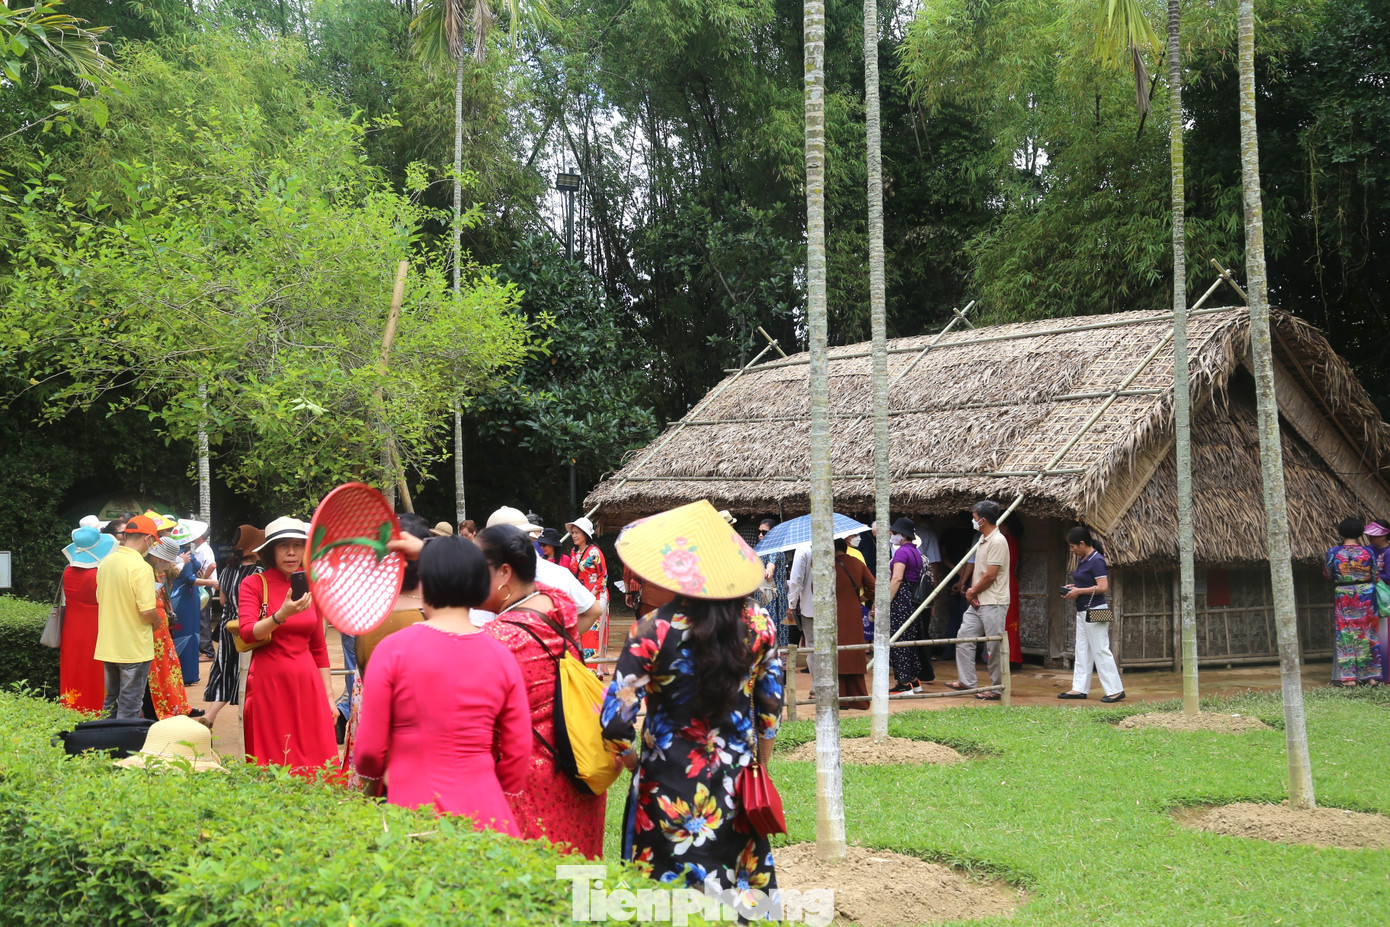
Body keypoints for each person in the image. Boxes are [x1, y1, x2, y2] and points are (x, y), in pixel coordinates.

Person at [601, 500, 784, 905]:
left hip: (664, 783)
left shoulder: (652, 629)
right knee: (736, 895)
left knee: (661, 898)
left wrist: (633, 762)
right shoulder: (760, 624)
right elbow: (770, 710)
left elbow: (615, 724)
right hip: (736, 781)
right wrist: (761, 763)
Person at [354, 535, 531, 827]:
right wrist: (500, 790)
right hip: (487, 812)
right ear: (479, 585)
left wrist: (373, 788)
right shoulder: (500, 655)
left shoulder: (393, 650)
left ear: (423, 584)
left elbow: (370, 751)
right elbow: (518, 751)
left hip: (413, 809)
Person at [476, 524, 608, 855]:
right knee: (577, 872)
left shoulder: (498, 640)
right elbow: (588, 608)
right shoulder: (557, 602)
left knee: (538, 884)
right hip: (577, 761)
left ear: (504, 572)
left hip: (530, 779)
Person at [238, 517, 337, 774]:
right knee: (273, 758)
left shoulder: (312, 587)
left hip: (308, 682)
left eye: (297, 545)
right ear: (271, 551)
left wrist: (329, 697)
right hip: (268, 682)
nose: (292, 552)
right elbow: (248, 633)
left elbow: (318, 646)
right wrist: (280, 615)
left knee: (316, 756)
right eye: (283, 545)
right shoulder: (254, 584)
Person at [471, 507, 599, 630]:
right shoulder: (559, 574)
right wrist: (561, 640)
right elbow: (593, 610)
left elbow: (478, 630)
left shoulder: (492, 582)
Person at [94, 514, 161, 719]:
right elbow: (147, 611)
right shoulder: (142, 568)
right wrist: (157, 622)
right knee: (130, 703)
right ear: (148, 539)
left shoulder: (106, 563)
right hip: (134, 647)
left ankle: (105, 746)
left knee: (111, 701)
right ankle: (125, 749)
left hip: (108, 645)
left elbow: (100, 598)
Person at [947, 501, 1010, 701]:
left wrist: (972, 591)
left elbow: (991, 575)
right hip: (978, 600)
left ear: (982, 519)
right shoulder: (983, 539)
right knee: (964, 637)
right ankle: (967, 682)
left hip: (993, 601)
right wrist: (973, 593)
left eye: (974, 517)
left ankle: (997, 688)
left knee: (994, 646)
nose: (972, 520)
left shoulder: (998, 541)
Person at [202, 525, 264, 726]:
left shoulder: (228, 569)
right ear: (255, 548)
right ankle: (248, 724)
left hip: (228, 627)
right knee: (248, 672)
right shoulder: (258, 572)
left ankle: (210, 715)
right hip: (249, 628)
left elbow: (222, 601)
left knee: (226, 669)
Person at [1056, 527, 1123, 702]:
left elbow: (1102, 587)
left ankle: (1115, 690)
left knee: (1100, 649)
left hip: (1097, 610)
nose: (1072, 550)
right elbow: (1087, 583)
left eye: (1073, 546)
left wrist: (1079, 591)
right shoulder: (1083, 559)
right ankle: (1079, 688)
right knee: (1082, 650)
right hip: (1083, 610)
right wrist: (1074, 587)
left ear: (1082, 544)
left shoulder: (1097, 560)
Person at [60, 525, 116, 713]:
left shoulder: (67, 571)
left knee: (73, 666)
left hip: (72, 624)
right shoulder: (99, 573)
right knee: (94, 668)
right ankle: (94, 708)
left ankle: (72, 706)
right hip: (95, 625)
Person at [1324, 517, 1382, 687]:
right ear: (1360, 533)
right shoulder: (1369, 553)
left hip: (1344, 595)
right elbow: (1375, 576)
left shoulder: (1333, 552)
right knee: (1368, 634)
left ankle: (1350, 678)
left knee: (1346, 634)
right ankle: (1370, 677)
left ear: (1340, 533)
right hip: (1366, 595)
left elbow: (1328, 574)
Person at [145, 538, 199, 720]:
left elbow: (173, 574)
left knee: (169, 665)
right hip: (153, 623)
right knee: (158, 668)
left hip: (162, 622)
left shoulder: (160, 569)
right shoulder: (145, 570)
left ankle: (175, 703)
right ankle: (163, 704)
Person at [886, 517, 930, 691]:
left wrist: (886, 601)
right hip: (910, 597)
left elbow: (897, 578)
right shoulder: (915, 552)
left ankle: (904, 682)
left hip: (900, 597)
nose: (892, 536)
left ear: (902, 535)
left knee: (898, 640)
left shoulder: (902, 553)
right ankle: (913, 679)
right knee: (908, 639)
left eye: (894, 533)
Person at [832, 537, 874, 709]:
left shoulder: (827, 566)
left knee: (836, 654)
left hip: (833, 614)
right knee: (854, 653)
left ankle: (839, 699)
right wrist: (859, 599)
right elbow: (873, 587)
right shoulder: (857, 563)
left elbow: (815, 590)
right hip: (854, 613)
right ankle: (859, 699)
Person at [567, 516, 610, 666]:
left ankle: (593, 668)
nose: (574, 535)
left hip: (596, 594)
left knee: (593, 631)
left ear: (585, 534)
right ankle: (581, 664)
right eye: (572, 533)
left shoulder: (594, 552)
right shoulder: (573, 552)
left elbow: (603, 576)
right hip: (580, 595)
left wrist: (591, 594)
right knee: (580, 629)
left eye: (577, 532)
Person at [755, 518, 791, 647]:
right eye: (759, 532)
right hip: (762, 596)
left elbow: (771, 562)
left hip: (773, 598)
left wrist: (769, 569)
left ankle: (779, 660)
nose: (760, 535)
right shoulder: (760, 548)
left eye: (764, 533)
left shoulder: (775, 548)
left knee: (773, 628)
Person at [1365, 519, 1390, 683]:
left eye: (1375, 536)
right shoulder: (1370, 550)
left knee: (1384, 635)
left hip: (1384, 599)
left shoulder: (1388, 552)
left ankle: (1385, 675)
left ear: (1385, 535)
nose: (1370, 538)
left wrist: (1372, 576)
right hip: (1370, 597)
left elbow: (1389, 577)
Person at [999, 520, 1023, 672]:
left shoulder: (1007, 541)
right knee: (1008, 621)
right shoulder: (1012, 541)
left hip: (1004, 582)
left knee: (1007, 622)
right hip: (1009, 581)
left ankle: (1010, 657)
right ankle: (1012, 657)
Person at [787, 543, 813, 671]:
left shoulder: (803, 549)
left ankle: (816, 686)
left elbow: (796, 580)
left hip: (810, 607)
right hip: (832, 607)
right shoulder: (831, 543)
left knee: (812, 645)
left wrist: (792, 604)